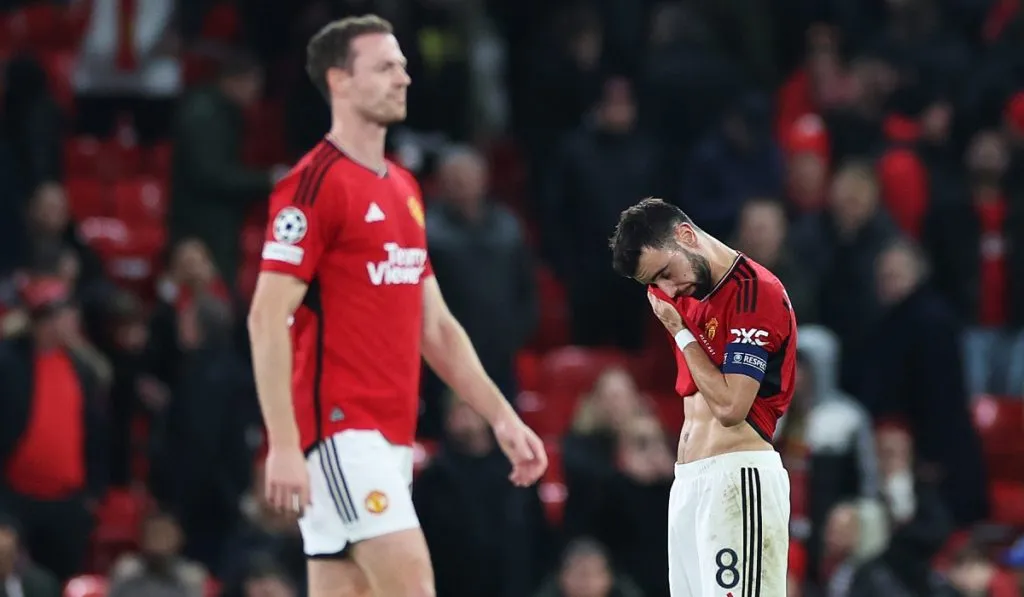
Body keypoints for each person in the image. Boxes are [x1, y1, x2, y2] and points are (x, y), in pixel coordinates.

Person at [246, 15, 548, 597]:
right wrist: (283, 443)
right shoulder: (312, 186)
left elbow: (434, 325)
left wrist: (501, 415)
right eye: (385, 67)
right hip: (339, 430)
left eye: (404, 66)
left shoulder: (405, 189)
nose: (403, 78)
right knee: (412, 586)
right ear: (339, 81)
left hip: (389, 433)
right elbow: (265, 317)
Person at [609, 197, 798, 596]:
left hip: (738, 478)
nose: (666, 289)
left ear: (686, 235)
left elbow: (731, 407)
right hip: (689, 485)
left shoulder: (754, 292)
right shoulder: (677, 292)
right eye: (653, 283)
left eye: (665, 273)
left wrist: (680, 332)